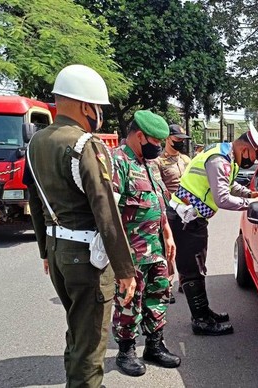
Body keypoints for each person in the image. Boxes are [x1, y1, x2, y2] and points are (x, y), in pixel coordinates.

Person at [25, 64, 136, 388]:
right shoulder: (86, 145)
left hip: (59, 252)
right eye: (98, 107)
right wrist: (125, 270)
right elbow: (105, 211)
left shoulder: (37, 143)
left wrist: (45, 250)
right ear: (86, 106)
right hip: (87, 258)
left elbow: (35, 203)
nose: (99, 114)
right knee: (90, 348)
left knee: (77, 332)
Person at [167, 124, 258, 336]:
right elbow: (222, 198)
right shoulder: (219, 159)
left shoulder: (226, 157)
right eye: (254, 156)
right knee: (192, 271)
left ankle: (204, 312)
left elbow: (229, 184)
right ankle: (201, 321)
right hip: (185, 219)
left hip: (193, 219)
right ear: (245, 149)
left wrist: (250, 194)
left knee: (198, 268)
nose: (252, 161)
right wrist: (250, 204)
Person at [111, 110, 181, 376]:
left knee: (159, 295)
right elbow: (110, 212)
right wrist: (119, 261)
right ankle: (126, 351)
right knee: (129, 301)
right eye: (155, 141)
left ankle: (154, 345)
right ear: (139, 136)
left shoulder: (151, 165)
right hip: (132, 252)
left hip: (157, 249)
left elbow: (159, 202)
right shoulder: (118, 162)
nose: (159, 147)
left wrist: (168, 233)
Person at [152, 124, 192, 303]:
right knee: (169, 248)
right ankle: (167, 286)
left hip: (189, 209)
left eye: (183, 140)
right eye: (178, 140)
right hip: (170, 210)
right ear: (168, 139)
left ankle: (185, 281)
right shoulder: (158, 161)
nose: (181, 143)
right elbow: (160, 188)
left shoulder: (186, 159)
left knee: (187, 247)